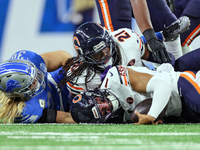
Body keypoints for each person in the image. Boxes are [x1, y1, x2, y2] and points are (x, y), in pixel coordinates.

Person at [59, 21, 189, 97]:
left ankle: (164, 36)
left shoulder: (127, 40)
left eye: (106, 48)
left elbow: (160, 57)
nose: (105, 55)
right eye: (97, 55)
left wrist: (167, 65)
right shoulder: (80, 78)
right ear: (86, 57)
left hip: (152, 88)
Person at [70, 63, 200, 124]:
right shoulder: (115, 119)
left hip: (181, 85)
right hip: (180, 111)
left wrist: (151, 116)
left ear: (95, 93)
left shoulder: (115, 79)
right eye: (103, 112)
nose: (107, 106)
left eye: (99, 102)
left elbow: (163, 85)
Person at [0, 50, 75, 124]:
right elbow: (69, 117)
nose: (36, 78)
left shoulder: (28, 60)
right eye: (31, 82)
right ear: (22, 92)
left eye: (34, 75)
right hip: (65, 107)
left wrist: (75, 76)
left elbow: (63, 56)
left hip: (59, 81)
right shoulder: (27, 111)